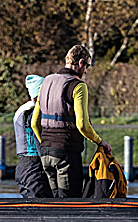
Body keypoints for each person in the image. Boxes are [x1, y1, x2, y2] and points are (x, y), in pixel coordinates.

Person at [30, 45, 112, 198]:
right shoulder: (78, 86)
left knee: (54, 202)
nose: (86, 70)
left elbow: (34, 122)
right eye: (87, 65)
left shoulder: (46, 82)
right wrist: (100, 142)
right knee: (70, 203)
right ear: (81, 62)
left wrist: (46, 143)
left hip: (46, 153)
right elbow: (82, 124)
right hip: (66, 153)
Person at [13, 75, 53, 199]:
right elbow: (37, 140)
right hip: (34, 165)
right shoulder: (33, 112)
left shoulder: (22, 110)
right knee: (39, 204)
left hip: (23, 165)